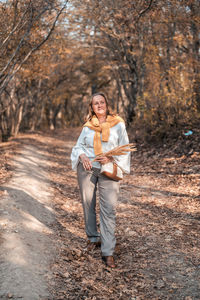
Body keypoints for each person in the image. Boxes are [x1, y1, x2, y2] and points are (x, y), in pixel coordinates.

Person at [71, 92, 130, 268]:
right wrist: (82, 156)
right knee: (88, 204)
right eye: (95, 103)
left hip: (109, 169)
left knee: (108, 209)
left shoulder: (118, 124)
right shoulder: (88, 126)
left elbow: (125, 148)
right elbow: (78, 146)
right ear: (92, 107)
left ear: (106, 103)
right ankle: (93, 237)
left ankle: (108, 251)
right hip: (88, 169)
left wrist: (112, 159)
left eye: (101, 102)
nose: (99, 105)